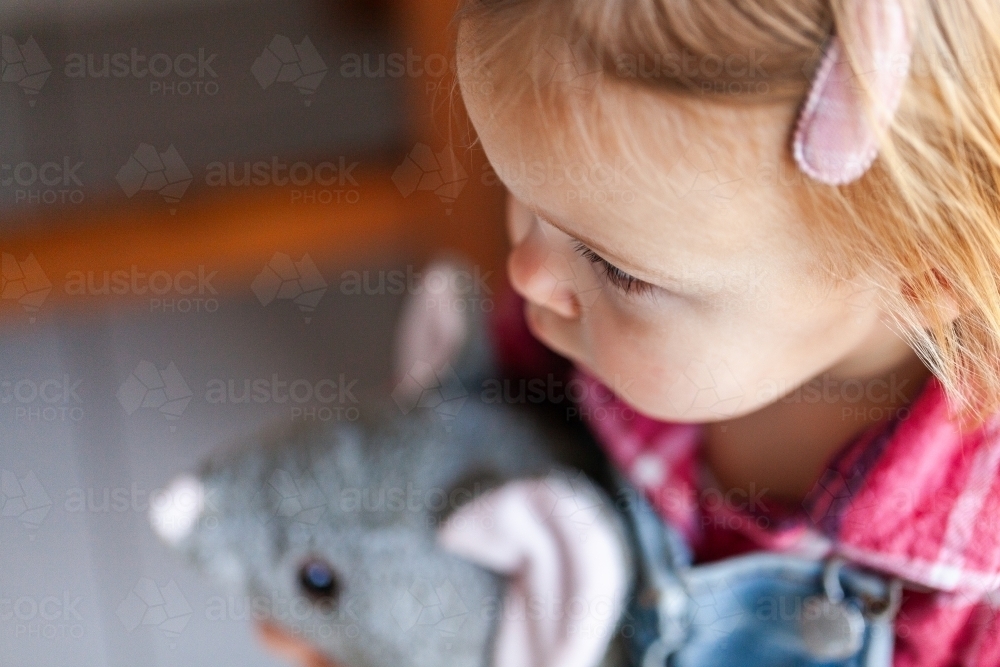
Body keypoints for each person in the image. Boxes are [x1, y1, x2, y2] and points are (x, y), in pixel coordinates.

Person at [264, 0, 1000, 665]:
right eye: (517, 195)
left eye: (615, 268)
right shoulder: (557, 335)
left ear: (919, 278)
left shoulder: (973, 577)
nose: (525, 272)